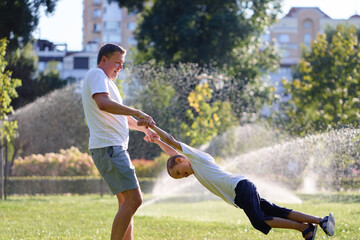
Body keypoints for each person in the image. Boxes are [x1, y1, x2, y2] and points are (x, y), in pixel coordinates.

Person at [143, 124, 335, 240]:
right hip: (241, 193)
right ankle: (321, 221)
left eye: (180, 173)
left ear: (181, 159)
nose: (184, 176)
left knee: (259, 221)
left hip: (240, 188)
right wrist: (156, 141)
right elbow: (170, 152)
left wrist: (152, 127)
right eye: (181, 177)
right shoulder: (194, 167)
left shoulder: (196, 158)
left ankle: (305, 228)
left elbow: (172, 141)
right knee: (275, 211)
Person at [82, 43, 156, 240]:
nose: (121, 68)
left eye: (123, 64)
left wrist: (144, 128)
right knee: (135, 200)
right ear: (103, 60)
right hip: (110, 148)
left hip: (111, 148)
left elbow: (121, 118)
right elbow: (103, 104)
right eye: (117, 62)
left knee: (126, 203)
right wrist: (137, 111)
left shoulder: (107, 82)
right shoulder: (97, 74)